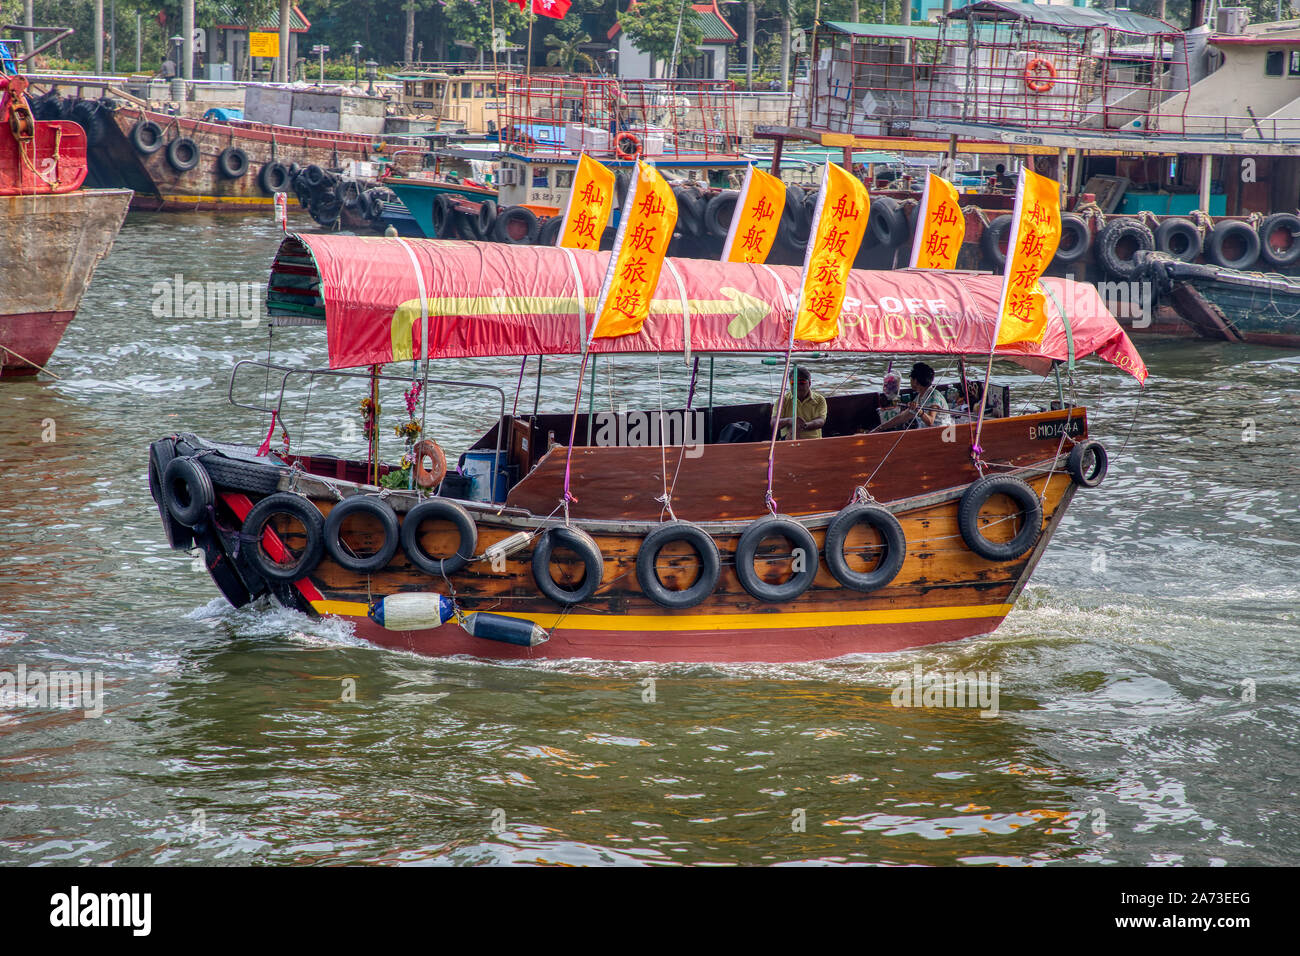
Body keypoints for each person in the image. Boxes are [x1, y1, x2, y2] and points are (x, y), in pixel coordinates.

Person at [872, 362, 952, 432]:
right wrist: (880, 428)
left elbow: (930, 421)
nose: (910, 381)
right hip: (926, 433)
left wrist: (920, 412)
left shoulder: (933, 396)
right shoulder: (920, 396)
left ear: (915, 381)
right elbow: (902, 417)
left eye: (911, 379)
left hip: (943, 434)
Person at [772, 366, 827, 440]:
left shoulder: (820, 399)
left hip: (813, 441)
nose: (797, 386)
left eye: (801, 382)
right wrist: (790, 421)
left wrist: (803, 426)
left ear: (809, 383)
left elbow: (820, 421)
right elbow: (773, 422)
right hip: (787, 441)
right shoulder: (782, 400)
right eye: (793, 383)